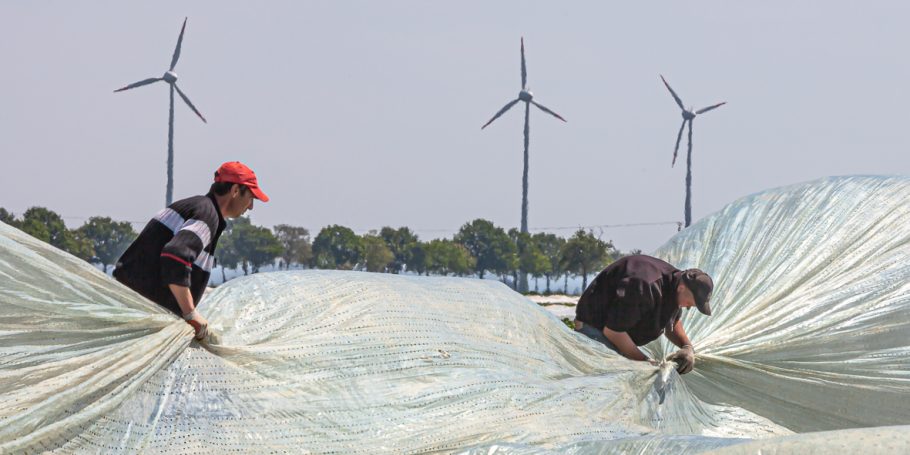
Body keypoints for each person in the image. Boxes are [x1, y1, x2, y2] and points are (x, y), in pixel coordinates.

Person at [113, 161, 269, 339]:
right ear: (234, 191)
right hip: (138, 314)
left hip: (129, 306)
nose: (250, 206)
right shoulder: (207, 215)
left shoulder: (197, 207)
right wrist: (190, 313)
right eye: (250, 198)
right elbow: (175, 256)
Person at [573, 254, 713, 374]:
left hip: (617, 335)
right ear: (682, 288)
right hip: (595, 331)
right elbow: (613, 332)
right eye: (689, 303)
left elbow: (672, 321)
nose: (688, 307)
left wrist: (687, 347)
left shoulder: (675, 284)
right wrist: (645, 362)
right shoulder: (644, 287)